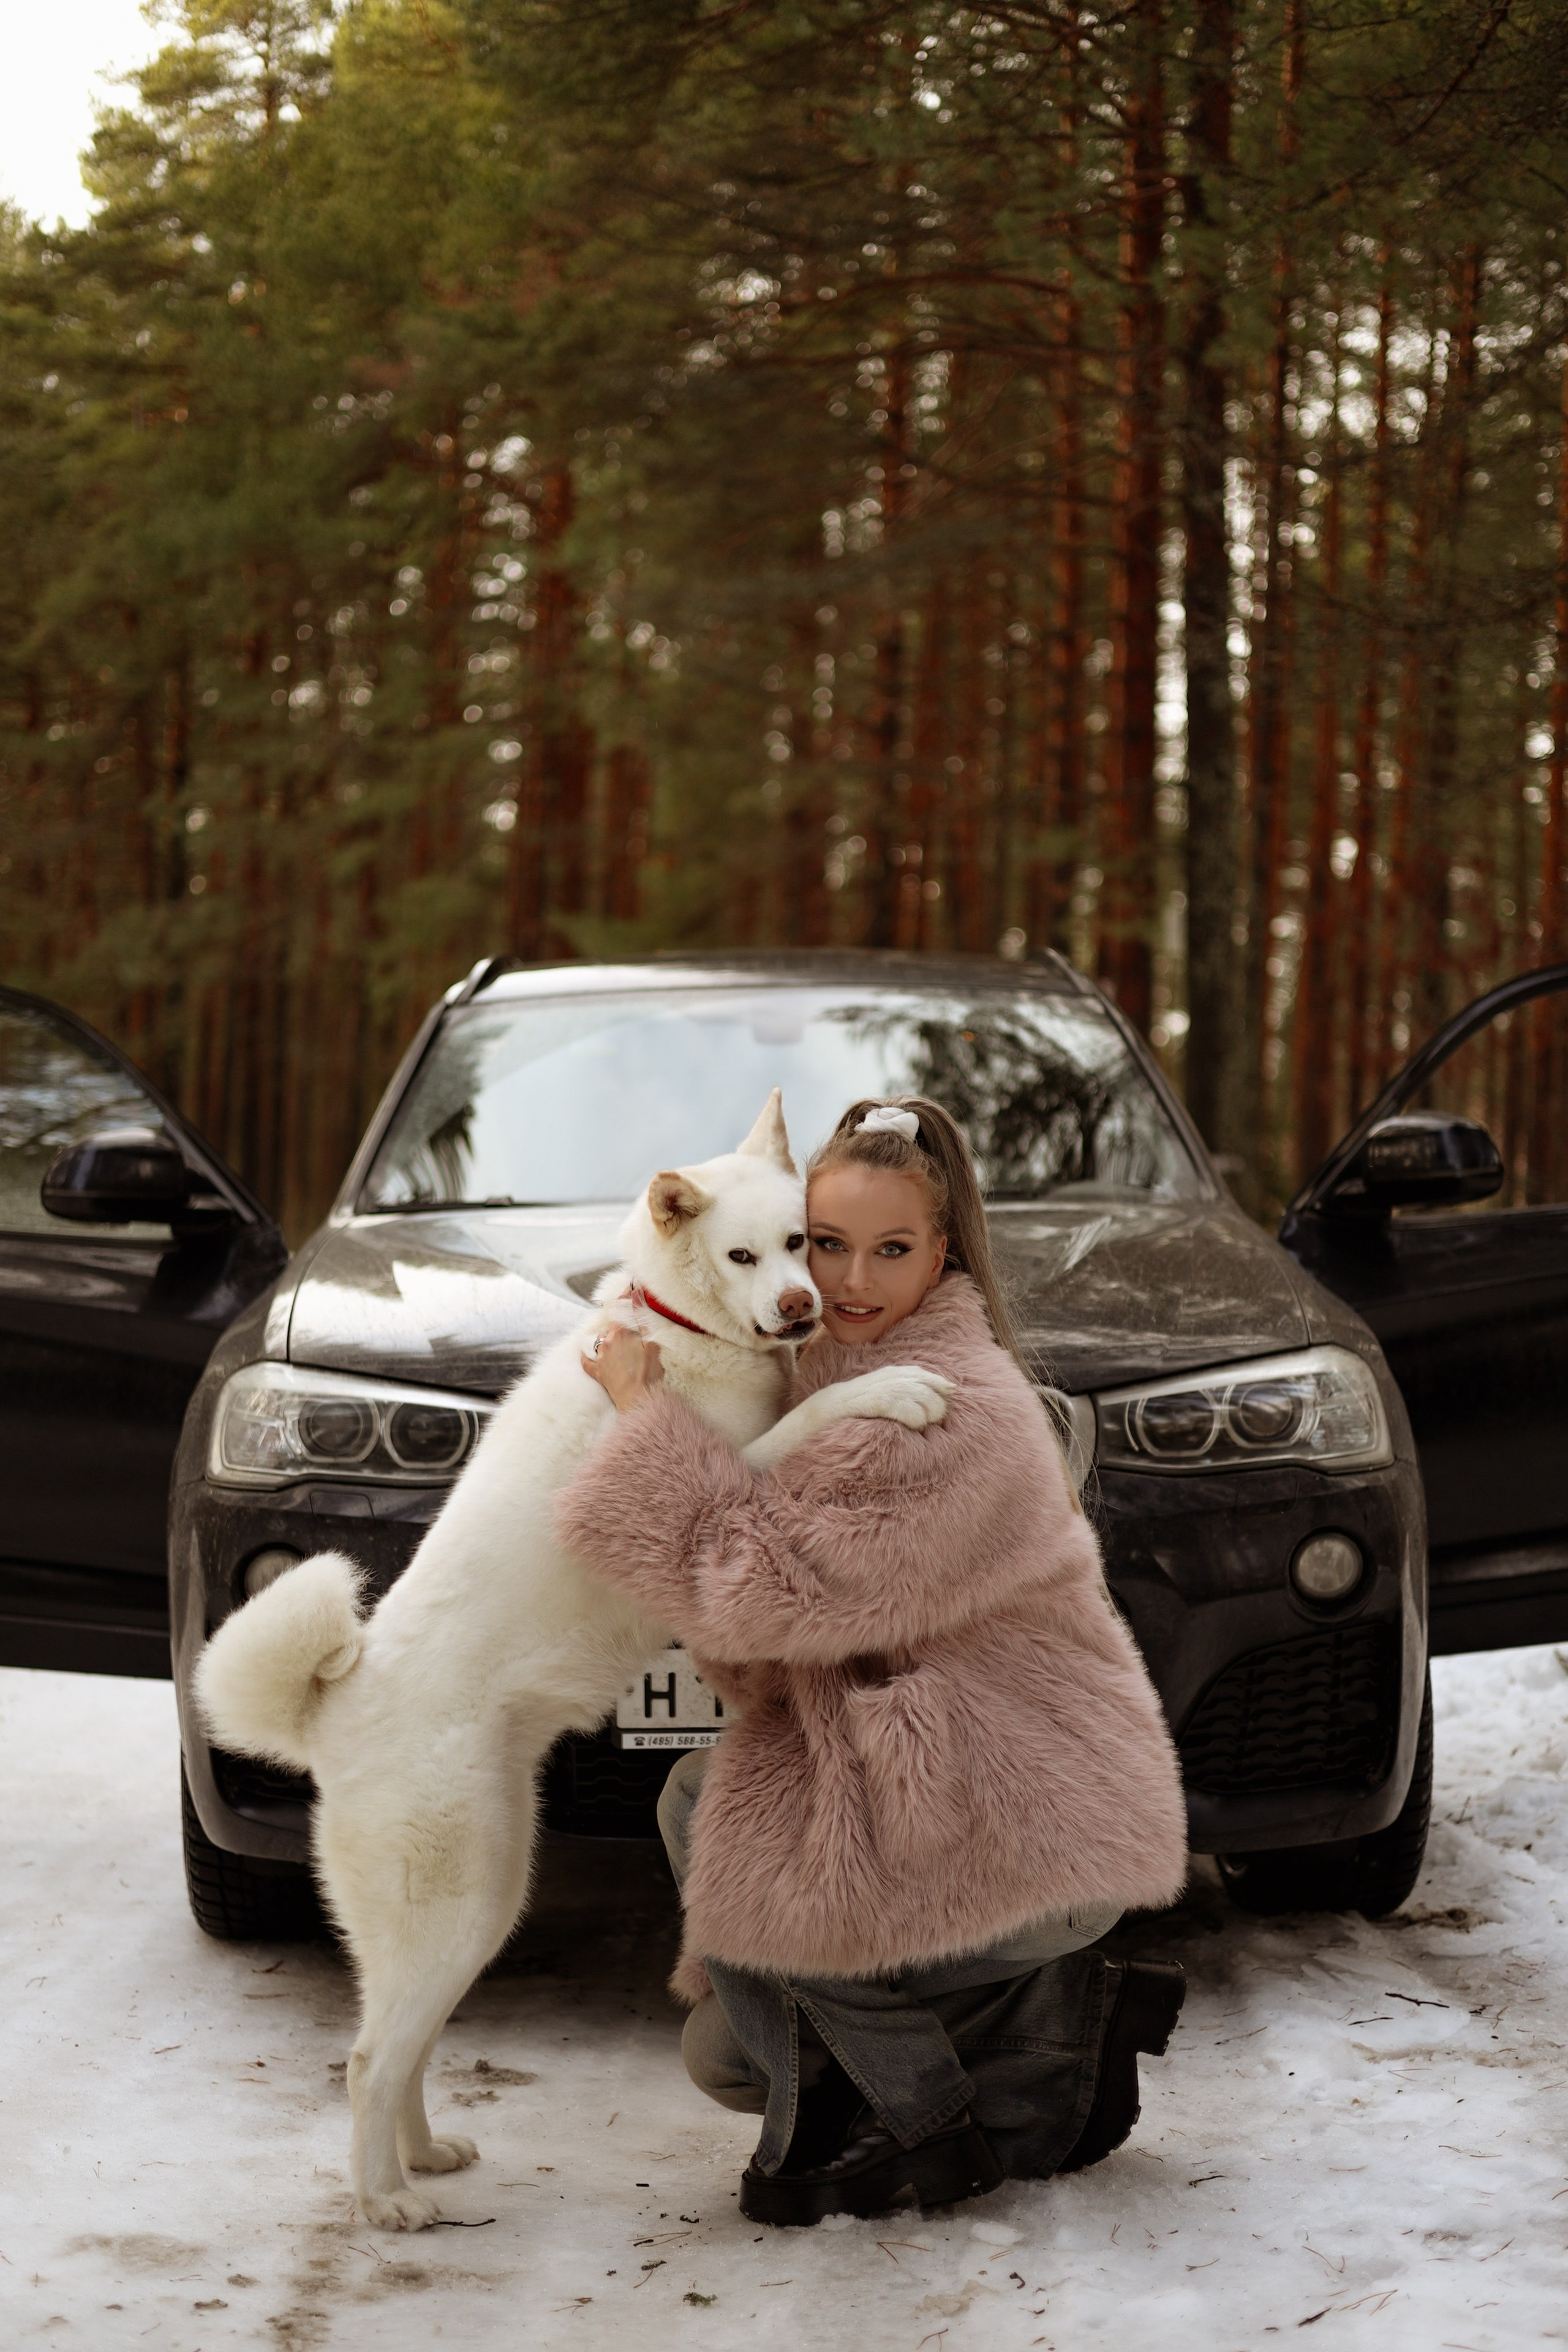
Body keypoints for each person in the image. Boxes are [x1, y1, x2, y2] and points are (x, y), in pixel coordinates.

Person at [562, 1096, 1188, 2224]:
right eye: (825, 1243)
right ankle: (1051, 2042)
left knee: (715, 1826)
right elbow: (767, 1657)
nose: (848, 1280)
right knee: (728, 2050)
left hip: (1032, 1807)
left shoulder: (940, 1409)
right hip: (929, 1773)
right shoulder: (827, 1375)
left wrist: (645, 1419)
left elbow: (743, 1591)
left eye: (891, 1250)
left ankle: (920, 2115)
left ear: (940, 1255)